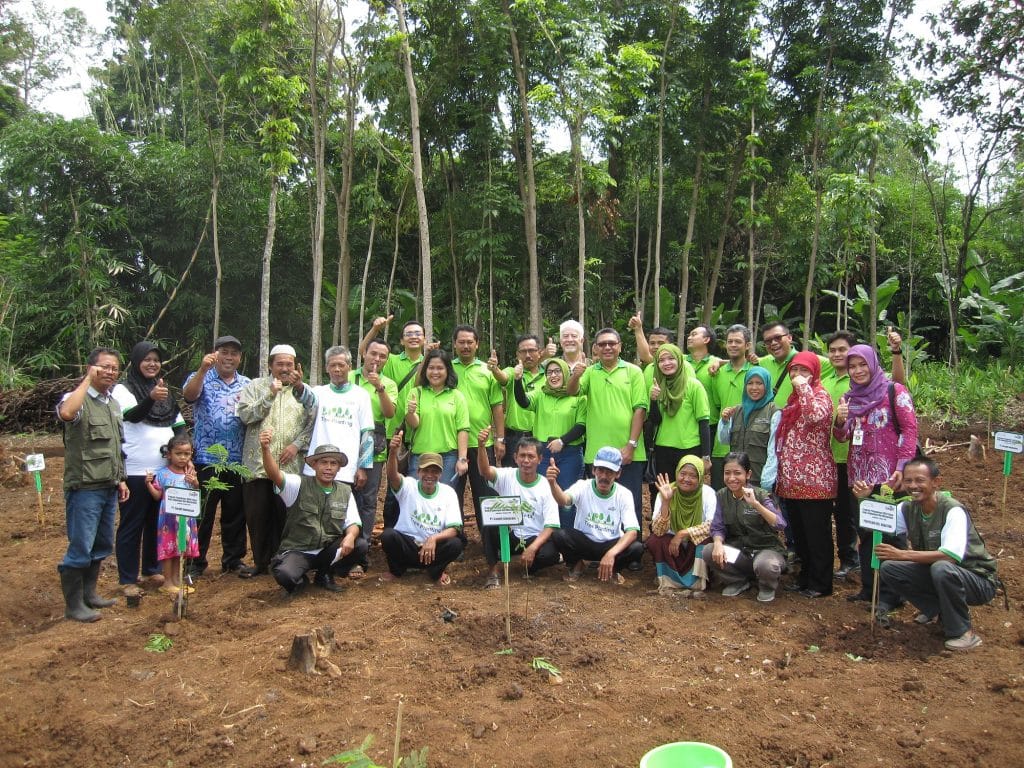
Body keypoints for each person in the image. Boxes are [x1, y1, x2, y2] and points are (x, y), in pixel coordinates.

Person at [876, 458, 999, 651]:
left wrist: (903, 554)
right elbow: (879, 523)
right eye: (908, 481)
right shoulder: (908, 508)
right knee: (890, 569)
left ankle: (963, 632)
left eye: (920, 480)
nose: (913, 486)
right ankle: (941, 613)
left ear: (935, 482)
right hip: (942, 573)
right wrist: (863, 499)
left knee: (942, 568)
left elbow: (949, 557)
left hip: (977, 579)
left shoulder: (952, 510)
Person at [834, 343, 919, 603]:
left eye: (862, 365)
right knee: (866, 533)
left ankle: (893, 593)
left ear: (872, 364)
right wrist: (840, 419)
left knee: (891, 535)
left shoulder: (894, 391)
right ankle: (869, 587)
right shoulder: (850, 398)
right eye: (852, 366)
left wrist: (902, 467)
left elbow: (910, 430)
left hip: (890, 477)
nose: (857, 370)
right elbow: (843, 437)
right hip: (859, 478)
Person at [56, 347, 129, 622]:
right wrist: (87, 380)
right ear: (91, 368)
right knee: (81, 545)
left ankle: (90, 594)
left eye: (114, 368)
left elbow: (115, 447)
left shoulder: (113, 404)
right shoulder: (77, 399)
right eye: (104, 367)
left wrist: (121, 479)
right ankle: (74, 606)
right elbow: (66, 413)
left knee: (101, 544)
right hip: (84, 487)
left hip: (108, 485)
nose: (110, 372)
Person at [111, 341, 185, 595]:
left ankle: (151, 568)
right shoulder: (124, 389)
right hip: (135, 470)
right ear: (136, 361)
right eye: (147, 359)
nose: (152, 364)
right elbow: (131, 415)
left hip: (163, 471)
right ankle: (127, 578)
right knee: (132, 524)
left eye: (156, 360)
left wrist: (185, 453)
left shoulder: (163, 390)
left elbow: (179, 425)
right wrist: (150, 399)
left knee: (158, 522)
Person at [237, 344, 316, 577]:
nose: (284, 368)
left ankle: (284, 562)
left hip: (290, 466)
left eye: (289, 364)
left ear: (296, 366)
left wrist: (296, 445)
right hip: (258, 466)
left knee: (286, 516)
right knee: (258, 516)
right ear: (270, 365)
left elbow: (313, 422)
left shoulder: (303, 392)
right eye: (279, 364)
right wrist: (270, 394)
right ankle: (261, 563)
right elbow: (245, 415)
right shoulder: (255, 387)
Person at [259, 430, 365, 594]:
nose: (328, 467)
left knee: (360, 545)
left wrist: (350, 536)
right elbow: (274, 474)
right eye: (324, 462)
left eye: (333, 463)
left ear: (338, 468)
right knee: (284, 575)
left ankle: (325, 575)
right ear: (314, 465)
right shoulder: (298, 485)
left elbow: (353, 522)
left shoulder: (345, 491)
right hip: (299, 551)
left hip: (327, 550)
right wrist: (265, 449)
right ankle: (300, 578)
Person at [182, 335, 252, 579]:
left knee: (235, 513)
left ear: (239, 358)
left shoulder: (247, 384)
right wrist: (203, 369)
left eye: (234, 353)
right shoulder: (200, 377)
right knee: (203, 512)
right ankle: (195, 561)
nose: (229, 357)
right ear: (215, 354)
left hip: (236, 460)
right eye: (224, 352)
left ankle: (233, 559)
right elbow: (189, 396)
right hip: (205, 458)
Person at [567, 328, 648, 539]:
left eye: (612, 343)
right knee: (598, 505)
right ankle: (599, 546)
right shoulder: (590, 372)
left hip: (628, 452)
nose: (607, 347)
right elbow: (572, 391)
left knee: (630, 502)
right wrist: (576, 375)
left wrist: (631, 445)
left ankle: (631, 548)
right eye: (602, 344)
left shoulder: (633, 371)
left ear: (620, 346)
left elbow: (640, 409)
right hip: (597, 453)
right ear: (595, 348)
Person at [775, 351, 837, 598]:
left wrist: (804, 388)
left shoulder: (820, 395)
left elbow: (815, 416)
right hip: (791, 480)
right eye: (794, 370)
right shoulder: (792, 400)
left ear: (814, 373)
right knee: (800, 534)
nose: (798, 376)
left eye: (804, 371)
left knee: (817, 535)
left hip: (815, 480)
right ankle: (805, 578)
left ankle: (821, 584)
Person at [547, 446, 644, 584]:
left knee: (636, 548)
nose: (604, 476)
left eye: (609, 472)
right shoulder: (582, 486)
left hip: (610, 543)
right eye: (600, 470)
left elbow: (632, 532)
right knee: (559, 535)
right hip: (584, 541)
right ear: (593, 470)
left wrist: (611, 553)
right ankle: (577, 564)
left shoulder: (624, 494)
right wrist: (553, 483)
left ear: (618, 474)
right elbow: (563, 500)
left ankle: (613, 569)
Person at [477, 430, 560, 587]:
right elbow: (485, 471)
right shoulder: (506, 476)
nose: (526, 460)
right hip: (510, 535)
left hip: (534, 538)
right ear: (515, 458)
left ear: (540, 459)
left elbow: (551, 525)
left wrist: (532, 548)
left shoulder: (546, 486)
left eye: (531, 456)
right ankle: (493, 571)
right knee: (489, 525)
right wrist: (481, 446)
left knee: (550, 555)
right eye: (522, 456)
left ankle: (529, 567)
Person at [381, 431, 464, 585]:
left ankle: (435, 571)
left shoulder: (448, 492)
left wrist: (433, 538)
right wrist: (392, 452)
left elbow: (454, 528)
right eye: (425, 470)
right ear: (418, 472)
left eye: (434, 471)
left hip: (433, 550)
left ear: (440, 474)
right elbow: (392, 475)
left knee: (456, 544)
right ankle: (397, 570)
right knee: (388, 536)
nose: (429, 475)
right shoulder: (408, 486)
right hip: (409, 546)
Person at [702, 452, 787, 602]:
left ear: (748, 474)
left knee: (766, 565)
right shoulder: (721, 496)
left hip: (765, 551)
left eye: (737, 473)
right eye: (727, 473)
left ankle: (766, 586)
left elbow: (780, 524)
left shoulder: (761, 495)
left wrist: (756, 504)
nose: (732, 478)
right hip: (741, 554)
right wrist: (718, 543)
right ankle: (738, 581)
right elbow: (717, 527)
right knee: (709, 551)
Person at [514, 356, 586, 528]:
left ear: (566, 373)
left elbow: (582, 425)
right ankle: (545, 535)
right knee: (543, 495)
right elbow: (523, 402)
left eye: (557, 371)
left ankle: (566, 537)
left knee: (567, 498)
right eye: (549, 372)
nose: (553, 376)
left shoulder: (578, 396)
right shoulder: (541, 394)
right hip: (543, 455)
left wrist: (563, 441)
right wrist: (517, 380)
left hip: (570, 454)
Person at [351, 338, 398, 568]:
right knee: (345, 497)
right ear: (364, 353)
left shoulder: (389, 384)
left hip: (374, 445)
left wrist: (379, 388)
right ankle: (341, 547)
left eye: (382, 356)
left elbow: (389, 413)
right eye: (373, 354)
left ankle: (361, 549)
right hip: (346, 442)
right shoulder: (350, 377)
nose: (377, 359)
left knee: (368, 500)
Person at [453, 325, 506, 529]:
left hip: (482, 442)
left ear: (477, 345)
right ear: (455, 344)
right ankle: (455, 538)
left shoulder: (487, 371)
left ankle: (489, 539)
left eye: (470, 342)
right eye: (461, 342)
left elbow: (497, 407)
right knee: (452, 494)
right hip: (453, 443)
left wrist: (500, 438)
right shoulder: (447, 369)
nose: (466, 346)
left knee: (485, 494)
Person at [306, 346, 375, 493]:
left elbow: (367, 433)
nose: (337, 369)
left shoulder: (361, 395)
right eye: (333, 365)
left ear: (349, 367)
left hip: (347, 470)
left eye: (341, 365)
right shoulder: (318, 393)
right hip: (316, 468)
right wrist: (298, 385)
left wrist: (363, 467)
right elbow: (303, 399)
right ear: (326, 368)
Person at [646, 456, 716, 595]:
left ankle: (697, 582)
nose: (686, 479)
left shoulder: (708, 493)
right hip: (672, 544)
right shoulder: (667, 491)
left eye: (693, 476)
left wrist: (683, 533)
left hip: (694, 541)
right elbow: (658, 530)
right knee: (655, 541)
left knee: (706, 542)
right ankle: (670, 580)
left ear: (700, 478)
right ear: (677, 473)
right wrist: (666, 502)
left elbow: (712, 525)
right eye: (683, 474)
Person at [821, 331, 859, 579]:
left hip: (850, 458)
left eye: (842, 350)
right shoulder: (825, 381)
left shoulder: (858, 381)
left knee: (847, 512)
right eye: (832, 350)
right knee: (827, 512)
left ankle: (850, 559)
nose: (836, 354)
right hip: (825, 457)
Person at [144, 433, 200, 597]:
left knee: (180, 549)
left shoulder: (190, 473)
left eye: (186, 454)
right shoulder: (163, 474)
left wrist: (194, 482)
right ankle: (167, 581)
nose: (182, 457)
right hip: (168, 521)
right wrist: (148, 484)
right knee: (169, 549)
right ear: (169, 454)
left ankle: (177, 580)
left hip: (185, 520)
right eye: (178, 453)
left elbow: (195, 492)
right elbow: (157, 496)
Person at [403, 348, 471, 484]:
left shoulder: (457, 396)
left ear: (448, 370)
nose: (435, 372)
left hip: (448, 457)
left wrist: (462, 459)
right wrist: (410, 412)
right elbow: (414, 423)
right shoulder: (416, 393)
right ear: (425, 370)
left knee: (445, 495)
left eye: (440, 368)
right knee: (417, 494)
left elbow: (463, 428)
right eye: (431, 368)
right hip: (420, 456)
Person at [648, 342, 711, 478]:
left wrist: (706, 456)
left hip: (690, 448)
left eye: (671, 358)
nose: (666, 363)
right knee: (665, 488)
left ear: (679, 360)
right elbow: (655, 420)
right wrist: (653, 400)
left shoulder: (694, 386)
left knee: (688, 487)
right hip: (663, 448)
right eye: (661, 360)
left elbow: (703, 422)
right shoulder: (658, 387)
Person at [715, 367, 779, 490]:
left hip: (760, 481)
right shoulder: (737, 410)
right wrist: (724, 421)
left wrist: (767, 481)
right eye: (750, 383)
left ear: (767, 385)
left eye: (759, 383)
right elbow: (724, 440)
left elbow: (774, 451)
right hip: (736, 481)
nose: (754, 387)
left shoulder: (773, 411)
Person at [707, 324, 754, 489]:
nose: (733, 345)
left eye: (738, 341)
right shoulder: (716, 373)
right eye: (730, 341)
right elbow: (717, 404)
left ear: (747, 345)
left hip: (749, 445)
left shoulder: (756, 371)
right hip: (722, 446)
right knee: (720, 495)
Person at [491, 333, 544, 465]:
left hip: (540, 438)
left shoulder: (549, 376)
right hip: (513, 439)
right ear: (517, 355)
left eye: (531, 350)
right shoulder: (512, 371)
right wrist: (495, 369)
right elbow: (502, 377)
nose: (528, 355)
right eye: (523, 351)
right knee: (512, 476)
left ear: (539, 352)